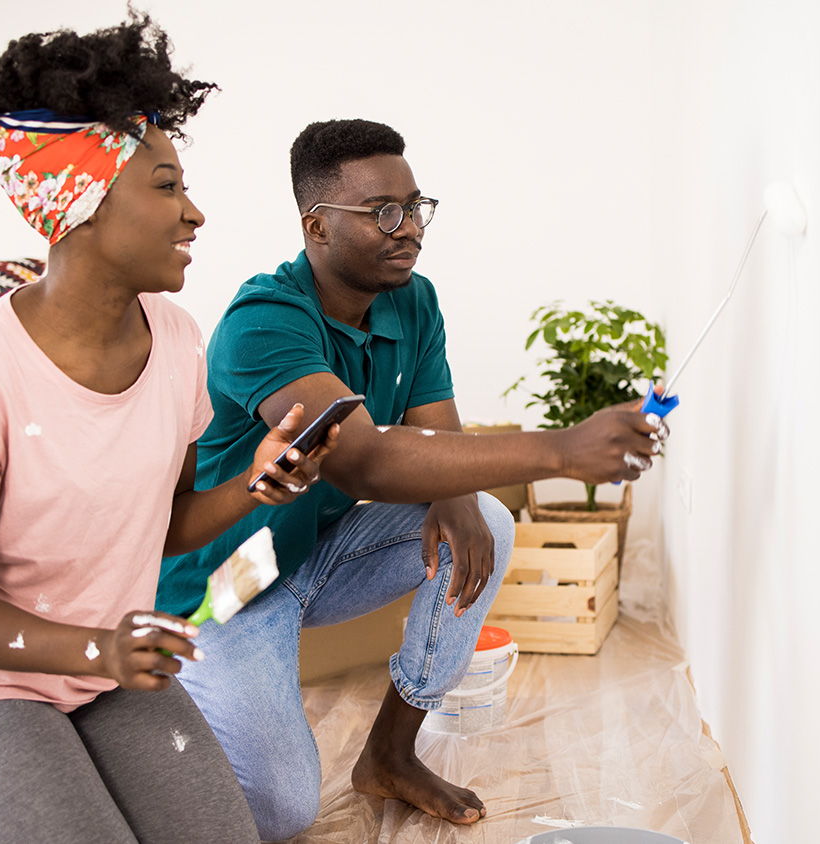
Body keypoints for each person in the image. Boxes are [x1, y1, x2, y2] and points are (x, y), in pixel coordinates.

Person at [0, 15, 337, 844]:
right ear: (80, 202)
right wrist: (97, 649)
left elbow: (164, 523)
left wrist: (252, 484)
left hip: (102, 663)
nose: (194, 213)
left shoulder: (178, 341)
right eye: (165, 186)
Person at [156, 118, 669, 840]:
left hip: (316, 550)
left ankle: (390, 753)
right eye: (384, 213)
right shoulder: (264, 320)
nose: (410, 230)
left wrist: (454, 492)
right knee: (281, 810)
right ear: (318, 226)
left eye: (416, 207)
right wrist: (561, 450)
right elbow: (363, 458)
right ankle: (173, 707)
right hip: (225, 586)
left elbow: (438, 433)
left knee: (481, 519)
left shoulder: (413, 300)